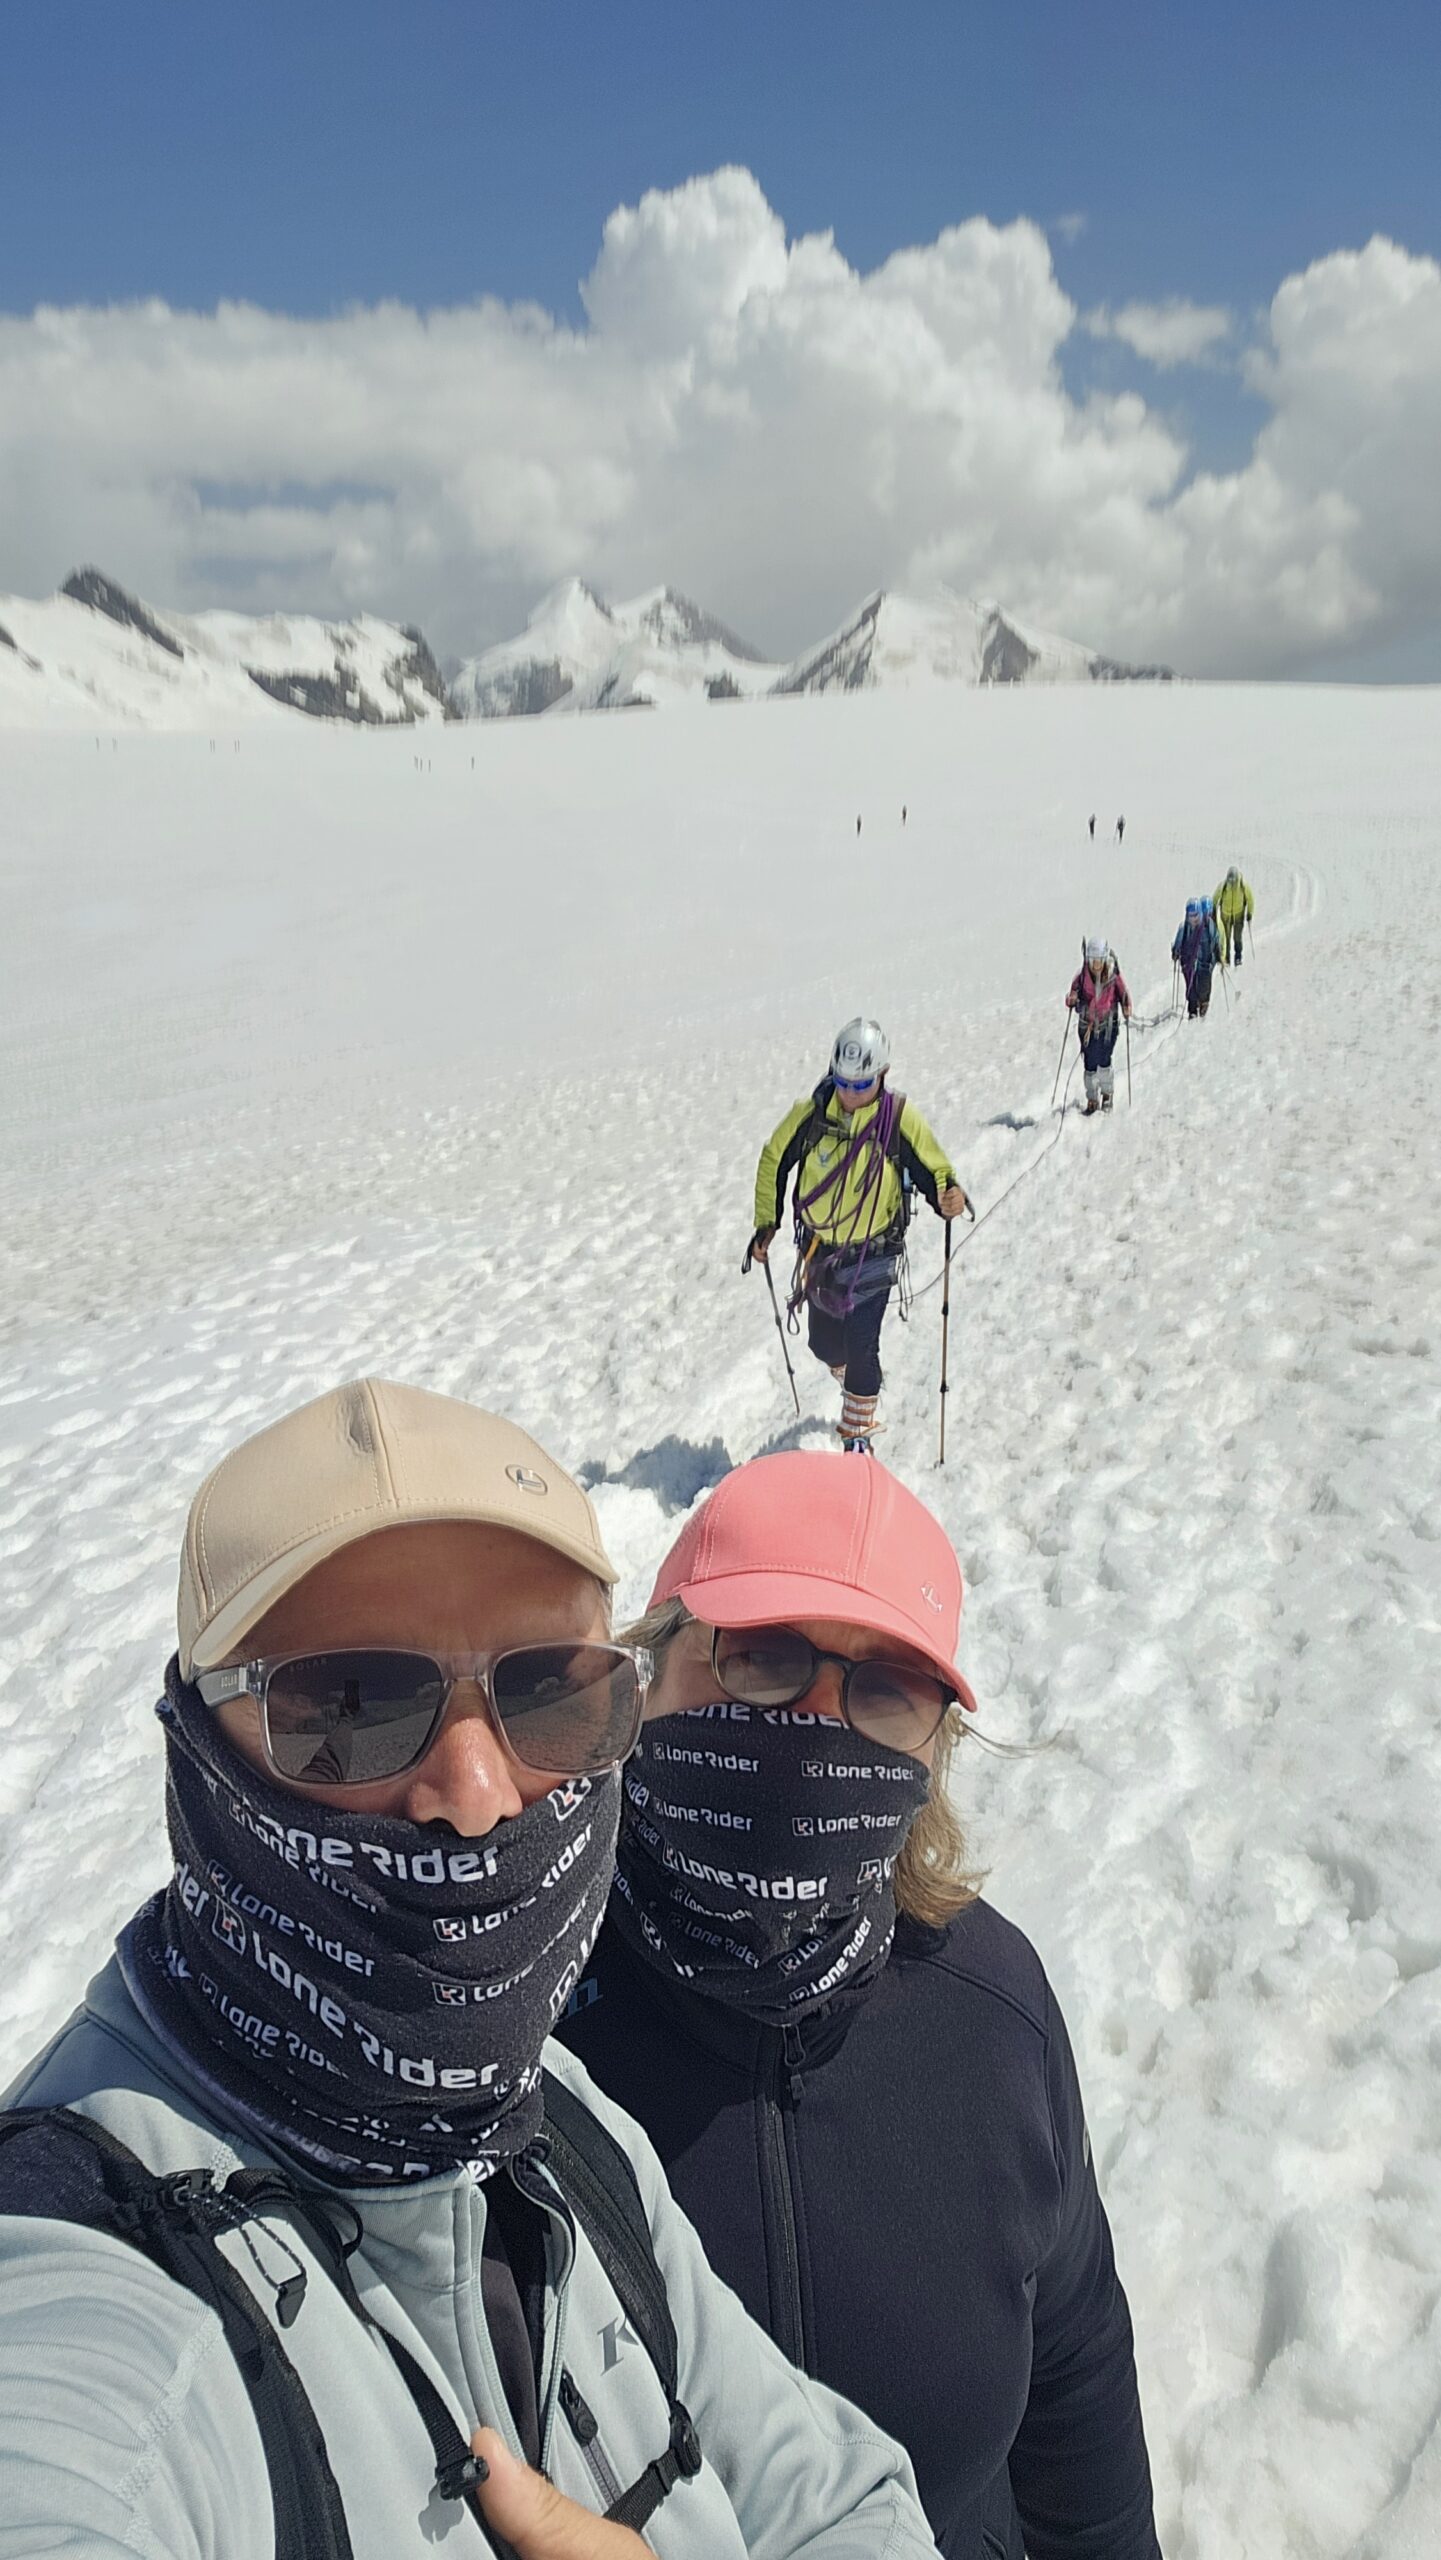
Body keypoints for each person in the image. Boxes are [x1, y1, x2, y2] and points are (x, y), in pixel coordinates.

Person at [0, 1380, 946, 2560]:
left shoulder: (560, 2126)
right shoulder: (97, 2288)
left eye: (549, 1692)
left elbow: (849, 2505)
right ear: (194, 1740)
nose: (478, 1793)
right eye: (346, 1705)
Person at [555, 1451, 1161, 2560]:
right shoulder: (531, 2030)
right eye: (763, 1656)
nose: (817, 1726)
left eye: (885, 1688)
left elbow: (1074, 2358)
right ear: (652, 1670)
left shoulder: (988, 2009)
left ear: (934, 1743)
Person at [749, 1018, 969, 1452]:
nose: (851, 1093)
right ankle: (858, 1385)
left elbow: (935, 1170)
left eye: (862, 1083)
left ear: (882, 1075)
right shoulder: (811, 1114)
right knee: (824, 1342)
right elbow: (774, 1158)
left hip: (876, 1251)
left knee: (861, 1342)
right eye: (844, 1082)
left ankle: (857, 1435)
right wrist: (766, 1222)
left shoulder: (898, 1118)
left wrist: (949, 1194)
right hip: (820, 1252)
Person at [1065, 936, 1132, 1115]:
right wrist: (1071, 999)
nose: (1096, 965)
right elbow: (1073, 993)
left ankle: (1107, 1094)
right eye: (1093, 961)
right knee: (1089, 1063)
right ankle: (1092, 1098)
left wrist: (1126, 1005)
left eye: (1099, 961)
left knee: (1104, 1061)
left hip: (1108, 1026)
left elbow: (1123, 993)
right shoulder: (1081, 977)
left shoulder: (1113, 975)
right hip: (1086, 1026)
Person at [1171, 898, 1220, 1018]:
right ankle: (1192, 1009)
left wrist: (1217, 952)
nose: (1194, 919)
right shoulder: (1184, 928)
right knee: (1190, 986)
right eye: (1191, 916)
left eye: (1196, 915)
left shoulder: (1208, 925)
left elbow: (1215, 939)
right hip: (1188, 963)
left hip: (1205, 961)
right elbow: (1178, 942)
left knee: (1204, 985)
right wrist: (1176, 952)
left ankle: (1204, 1004)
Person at [1213, 866, 1254, 966]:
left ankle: (1238, 956)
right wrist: (1213, 911)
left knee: (1237, 937)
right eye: (1230, 881)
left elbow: (1250, 899)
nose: (1232, 883)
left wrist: (1249, 913)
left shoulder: (1243, 885)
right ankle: (1226, 958)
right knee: (1226, 937)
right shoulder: (1223, 886)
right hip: (1225, 916)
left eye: (1233, 881)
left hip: (1238, 915)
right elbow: (1215, 898)